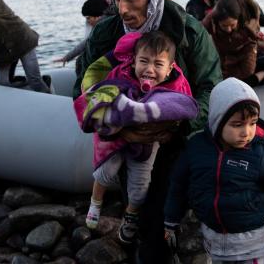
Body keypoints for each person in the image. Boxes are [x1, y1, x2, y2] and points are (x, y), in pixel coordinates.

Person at [73, 0, 222, 263]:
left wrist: (178, 126)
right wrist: (118, 125)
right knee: (141, 212)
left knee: (165, 208)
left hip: (175, 143)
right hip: (125, 144)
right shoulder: (107, 32)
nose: (122, 8)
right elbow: (83, 85)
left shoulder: (188, 31)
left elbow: (211, 86)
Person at [74, 31, 198, 244]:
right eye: (143, 61)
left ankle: (130, 216)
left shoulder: (175, 86)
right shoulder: (120, 75)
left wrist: (167, 124)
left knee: (140, 187)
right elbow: (100, 94)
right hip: (117, 135)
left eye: (158, 64)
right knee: (105, 170)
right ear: (133, 62)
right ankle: (96, 201)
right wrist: (116, 112)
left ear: (169, 70)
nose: (149, 69)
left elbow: (183, 106)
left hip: (148, 142)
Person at [164, 78, 264, 264]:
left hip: (253, 248)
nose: (246, 132)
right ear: (217, 120)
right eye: (237, 125)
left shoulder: (258, 155)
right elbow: (178, 185)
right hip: (213, 246)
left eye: (252, 123)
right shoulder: (196, 149)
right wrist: (171, 222)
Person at [53, 0, 109, 66]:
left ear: (98, 16)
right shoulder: (108, 22)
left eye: (88, 18)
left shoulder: (102, 28)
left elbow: (85, 43)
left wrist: (67, 57)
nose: (87, 22)